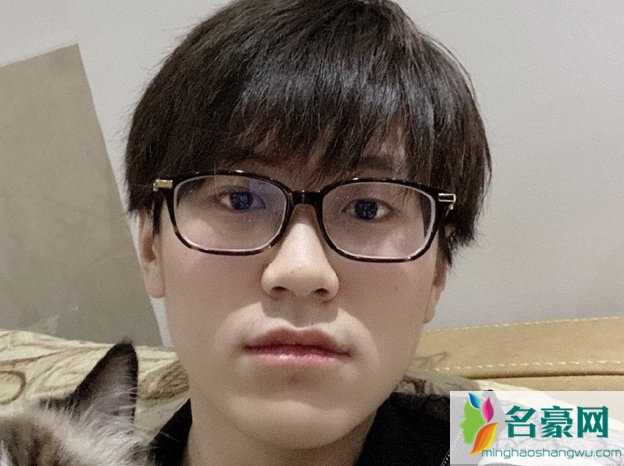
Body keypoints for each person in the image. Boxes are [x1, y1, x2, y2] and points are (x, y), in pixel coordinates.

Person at [126, 0, 491, 464]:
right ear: (150, 247)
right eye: (239, 199)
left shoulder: (535, 445)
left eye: (367, 208)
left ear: (437, 272)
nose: (300, 271)